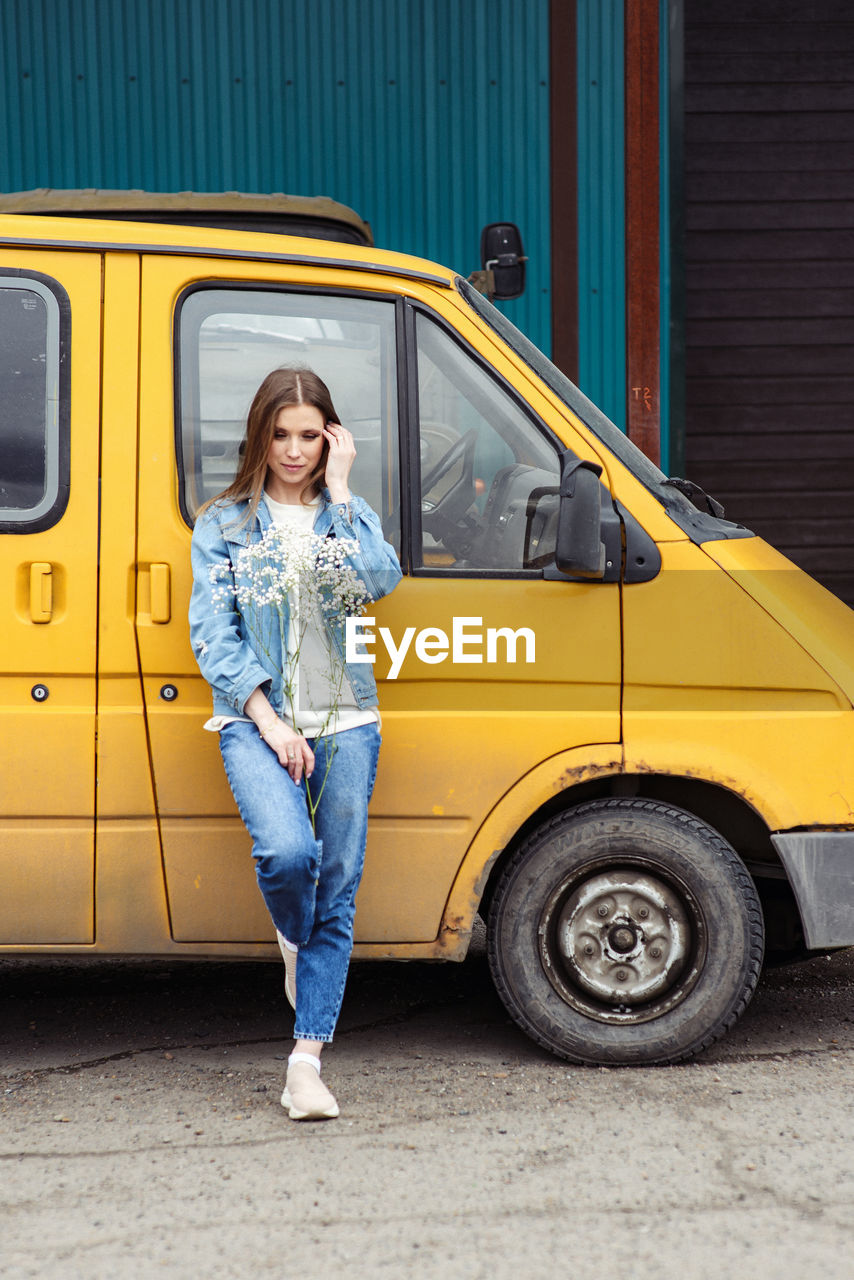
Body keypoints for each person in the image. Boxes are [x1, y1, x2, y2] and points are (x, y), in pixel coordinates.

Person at [189, 367, 402, 1121]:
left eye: (309, 436)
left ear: (329, 438)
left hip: (346, 718)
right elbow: (212, 637)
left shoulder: (349, 517)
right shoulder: (223, 526)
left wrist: (342, 490)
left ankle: (305, 1063)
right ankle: (294, 936)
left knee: (338, 883)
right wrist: (272, 723)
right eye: (280, 434)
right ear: (259, 435)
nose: (293, 450)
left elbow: (379, 581)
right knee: (288, 857)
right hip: (257, 721)